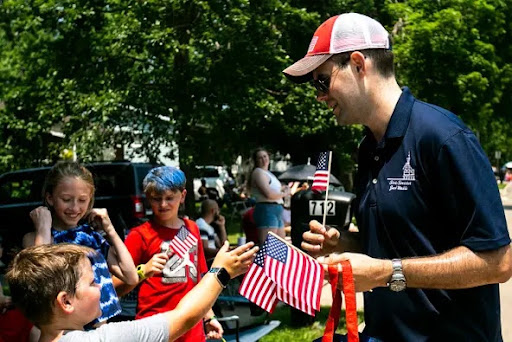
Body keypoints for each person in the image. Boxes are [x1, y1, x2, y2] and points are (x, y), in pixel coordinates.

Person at [283, 12, 512, 341]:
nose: (319, 95)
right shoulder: (367, 149)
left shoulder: (442, 137)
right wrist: (346, 245)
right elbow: (404, 244)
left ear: (359, 64)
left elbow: (497, 261)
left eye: (322, 80)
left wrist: (386, 273)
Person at [6, 242, 258, 342]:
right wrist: (221, 273)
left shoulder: (37, 334)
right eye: (94, 283)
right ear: (66, 302)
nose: (102, 287)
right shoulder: (101, 340)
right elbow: (183, 318)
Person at [113, 166, 222, 341]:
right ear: (148, 198)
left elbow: (199, 281)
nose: (163, 204)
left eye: (170, 198)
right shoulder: (139, 235)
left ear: (183, 196)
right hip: (155, 329)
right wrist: (142, 271)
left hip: (192, 330)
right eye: (157, 199)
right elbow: (113, 287)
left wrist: (209, 317)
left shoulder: (191, 229)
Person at [23, 161, 138, 327]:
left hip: (99, 332)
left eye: (82, 200)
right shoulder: (35, 239)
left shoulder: (91, 237)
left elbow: (130, 276)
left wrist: (110, 230)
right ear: (50, 198)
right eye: (66, 199)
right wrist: (43, 228)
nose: (75, 207)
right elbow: (40, 285)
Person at [247, 148, 290, 244]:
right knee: (268, 245)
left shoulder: (269, 174)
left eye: (265, 156)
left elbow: (274, 190)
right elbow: (268, 194)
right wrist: (284, 194)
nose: (263, 159)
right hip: (267, 209)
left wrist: (283, 188)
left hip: (276, 209)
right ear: (256, 161)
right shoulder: (258, 172)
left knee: (280, 245)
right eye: (260, 158)